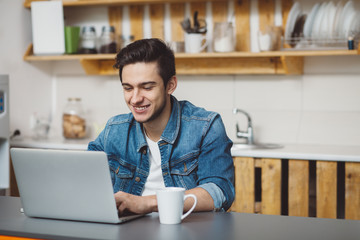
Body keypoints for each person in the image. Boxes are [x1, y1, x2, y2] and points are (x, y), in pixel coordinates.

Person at [88, 38, 234, 216]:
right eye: (128, 88)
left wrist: (147, 203)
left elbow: (219, 192)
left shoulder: (206, 127)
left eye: (147, 87)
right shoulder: (114, 130)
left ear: (170, 85)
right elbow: (83, 178)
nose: (135, 99)